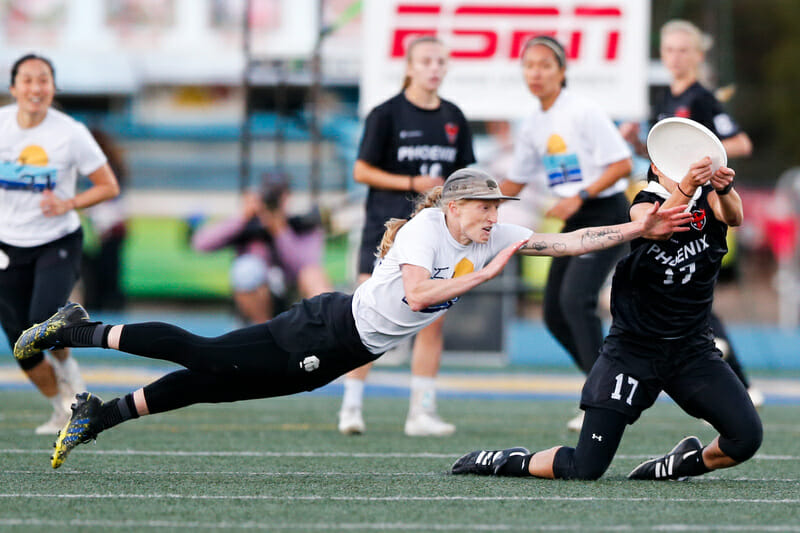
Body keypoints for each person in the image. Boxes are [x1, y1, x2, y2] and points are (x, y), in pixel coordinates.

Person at [13, 168, 690, 469]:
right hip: (326, 329)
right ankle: (81, 327)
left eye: (495, 205)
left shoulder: (486, 231)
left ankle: (98, 415)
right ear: (453, 206)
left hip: (338, 348)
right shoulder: (430, 230)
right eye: (483, 205)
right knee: (209, 356)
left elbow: (568, 241)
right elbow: (423, 296)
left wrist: (637, 229)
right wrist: (484, 274)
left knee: (214, 379)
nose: (493, 213)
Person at [452, 158, 763, 482]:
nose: (686, 173)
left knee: (746, 438)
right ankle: (505, 460)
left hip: (691, 350)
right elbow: (654, 226)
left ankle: (678, 465)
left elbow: (734, 215)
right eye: (676, 165)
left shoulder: (709, 196)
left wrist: (724, 187)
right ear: (657, 167)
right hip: (633, 351)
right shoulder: (645, 203)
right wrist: (687, 186)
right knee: (585, 468)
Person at [619, 19, 761, 407]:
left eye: (684, 50)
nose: (676, 57)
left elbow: (741, 144)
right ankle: (736, 384)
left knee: (695, 291)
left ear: (698, 55)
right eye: (669, 50)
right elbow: (663, 161)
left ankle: (739, 385)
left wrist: (704, 148)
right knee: (683, 292)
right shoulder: (665, 98)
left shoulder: (701, 98)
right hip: (672, 201)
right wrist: (636, 142)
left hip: (704, 205)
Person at [340, 35, 476, 437]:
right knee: (365, 319)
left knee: (432, 320)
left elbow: (463, 177)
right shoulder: (386, 114)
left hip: (436, 236)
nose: (434, 68)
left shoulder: (454, 116)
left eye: (440, 61)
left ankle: (422, 412)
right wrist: (413, 181)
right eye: (426, 61)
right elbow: (361, 171)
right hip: (385, 231)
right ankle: (351, 406)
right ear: (410, 67)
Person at [498, 36, 633, 431]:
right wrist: (472, 207)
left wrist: (580, 196)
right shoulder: (533, 125)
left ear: (561, 70)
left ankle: (603, 399)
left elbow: (622, 164)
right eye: (529, 66)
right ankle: (610, 386)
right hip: (573, 219)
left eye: (544, 65)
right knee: (554, 314)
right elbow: (515, 182)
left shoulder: (583, 111)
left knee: (576, 301)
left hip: (604, 211)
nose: (535, 73)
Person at [0, 54, 120, 435]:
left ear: (53, 87)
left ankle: (77, 385)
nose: (36, 88)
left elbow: (108, 185)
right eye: (28, 80)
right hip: (7, 245)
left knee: (44, 319)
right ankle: (61, 410)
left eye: (44, 80)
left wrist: (68, 203)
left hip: (57, 240)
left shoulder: (70, 132)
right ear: (13, 87)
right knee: (22, 343)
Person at [192, 173, 332, 324]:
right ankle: (262, 335)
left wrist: (280, 231)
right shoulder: (247, 223)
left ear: (287, 196)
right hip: (260, 295)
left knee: (313, 275)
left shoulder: (302, 225)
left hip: (293, 292)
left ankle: (327, 331)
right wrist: (243, 218)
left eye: (279, 194)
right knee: (246, 269)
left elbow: (307, 263)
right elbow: (200, 244)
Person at [80, 128, 128, 312]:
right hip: (109, 225)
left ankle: (103, 308)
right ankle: (105, 307)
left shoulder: (104, 168)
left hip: (106, 225)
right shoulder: (112, 165)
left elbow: (106, 198)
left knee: (101, 274)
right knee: (106, 272)